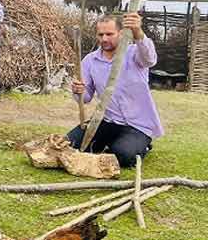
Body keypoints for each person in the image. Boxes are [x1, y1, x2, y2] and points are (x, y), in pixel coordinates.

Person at [66, 13, 162, 167]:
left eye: (109, 34)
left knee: (123, 156)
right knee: (69, 144)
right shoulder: (90, 61)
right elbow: (86, 98)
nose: (104, 39)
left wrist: (137, 31)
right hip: (106, 121)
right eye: (101, 34)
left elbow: (150, 59)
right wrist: (78, 91)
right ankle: (108, 143)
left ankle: (142, 145)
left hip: (137, 125)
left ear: (121, 33)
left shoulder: (134, 54)